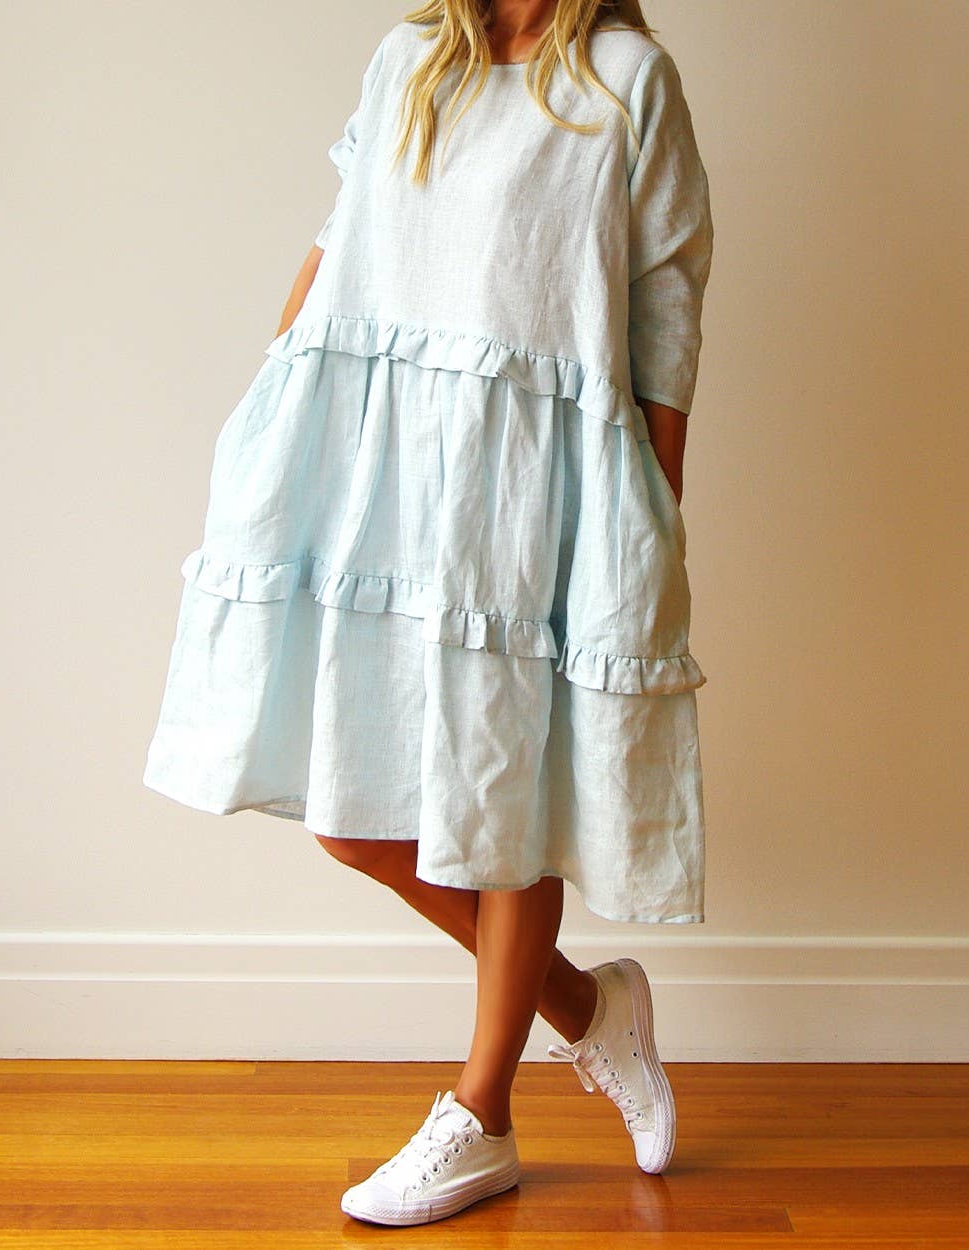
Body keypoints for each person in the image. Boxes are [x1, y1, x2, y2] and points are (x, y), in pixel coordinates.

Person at [143, 0, 713, 1226]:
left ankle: (481, 1112)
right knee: (352, 816)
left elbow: (664, 305)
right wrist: (274, 404)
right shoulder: (409, 60)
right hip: (381, 465)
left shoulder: (625, 79)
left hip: (528, 482)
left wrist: (650, 513)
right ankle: (587, 1008)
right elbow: (338, 238)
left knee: (504, 803)